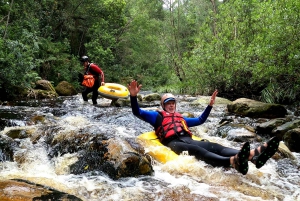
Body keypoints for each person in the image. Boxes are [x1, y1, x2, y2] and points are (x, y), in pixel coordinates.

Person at [128, 80, 280, 175]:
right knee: (199, 151)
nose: (171, 104)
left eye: (173, 102)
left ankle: (253, 155)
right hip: (174, 143)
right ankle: (233, 161)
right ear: (163, 105)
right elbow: (137, 112)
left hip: (188, 139)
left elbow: (200, 120)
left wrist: (210, 106)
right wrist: (133, 97)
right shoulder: (157, 116)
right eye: (168, 102)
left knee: (213, 145)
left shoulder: (182, 119)